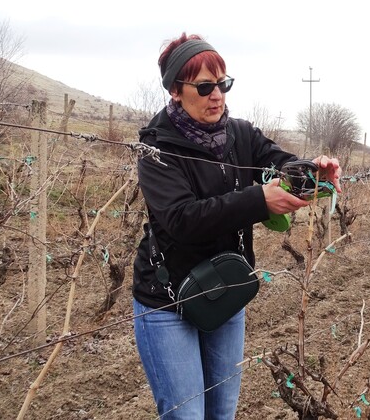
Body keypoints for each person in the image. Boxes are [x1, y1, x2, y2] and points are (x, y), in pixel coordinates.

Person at [132, 33, 342, 419]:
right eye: (205, 86)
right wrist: (259, 199)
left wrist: (314, 171)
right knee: (187, 416)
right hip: (166, 299)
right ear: (176, 90)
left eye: (223, 84)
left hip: (225, 288)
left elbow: (278, 161)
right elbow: (183, 220)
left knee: (222, 413)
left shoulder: (241, 135)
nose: (217, 96)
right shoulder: (156, 149)